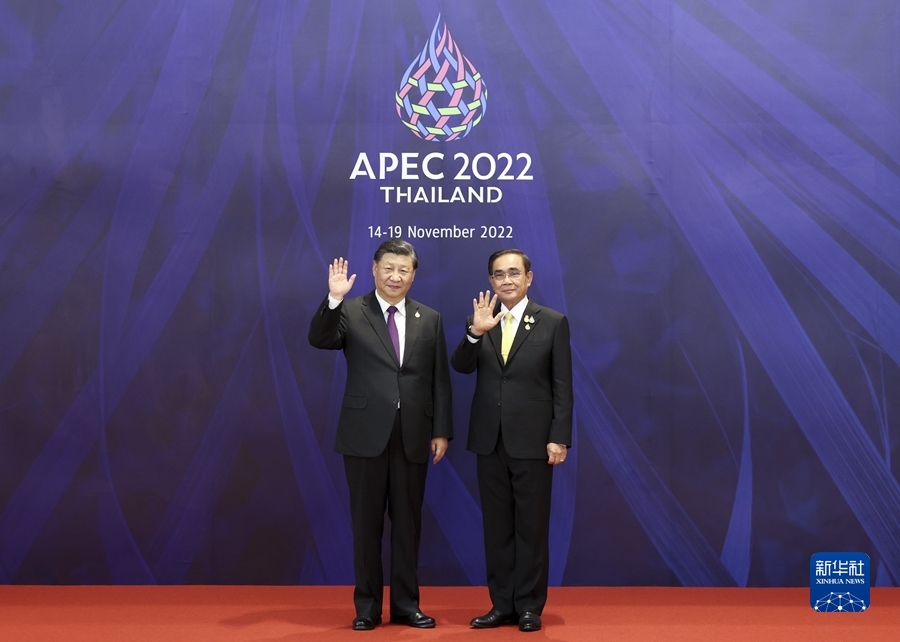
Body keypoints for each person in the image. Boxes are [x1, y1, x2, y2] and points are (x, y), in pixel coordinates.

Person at [308, 239, 452, 631]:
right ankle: (367, 608)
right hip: (364, 435)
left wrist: (441, 430)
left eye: (403, 270)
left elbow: (439, 379)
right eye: (388, 268)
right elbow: (321, 339)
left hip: (413, 435)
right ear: (374, 269)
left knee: (408, 526)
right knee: (366, 526)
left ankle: (406, 606)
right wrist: (334, 298)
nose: (395, 276)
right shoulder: (352, 310)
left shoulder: (430, 318)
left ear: (413, 275)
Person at [451, 249, 573, 633]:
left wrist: (559, 436)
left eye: (514, 273)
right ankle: (501, 604)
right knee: (497, 527)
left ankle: (529, 607)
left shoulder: (552, 322)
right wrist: (475, 332)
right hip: (489, 441)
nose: (507, 280)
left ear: (528, 278)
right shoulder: (480, 320)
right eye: (499, 274)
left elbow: (562, 386)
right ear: (491, 281)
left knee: (531, 528)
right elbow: (461, 366)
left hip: (534, 442)